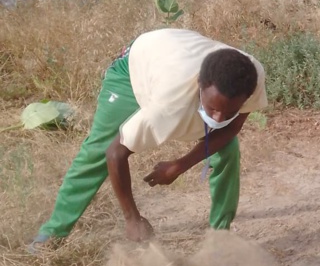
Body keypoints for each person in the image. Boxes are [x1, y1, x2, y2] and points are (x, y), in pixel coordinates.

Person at [28, 28, 267, 251]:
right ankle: (52, 232)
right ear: (200, 86)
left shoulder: (251, 77)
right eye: (213, 108)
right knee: (98, 150)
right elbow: (116, 153)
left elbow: (232, 127)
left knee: (227, 149)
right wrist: (132, 218)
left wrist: (179, 166)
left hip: (176, 53)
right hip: (135, 65)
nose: (218, 117)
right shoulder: (169, 103)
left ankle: (220, 236)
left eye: (228, 111)